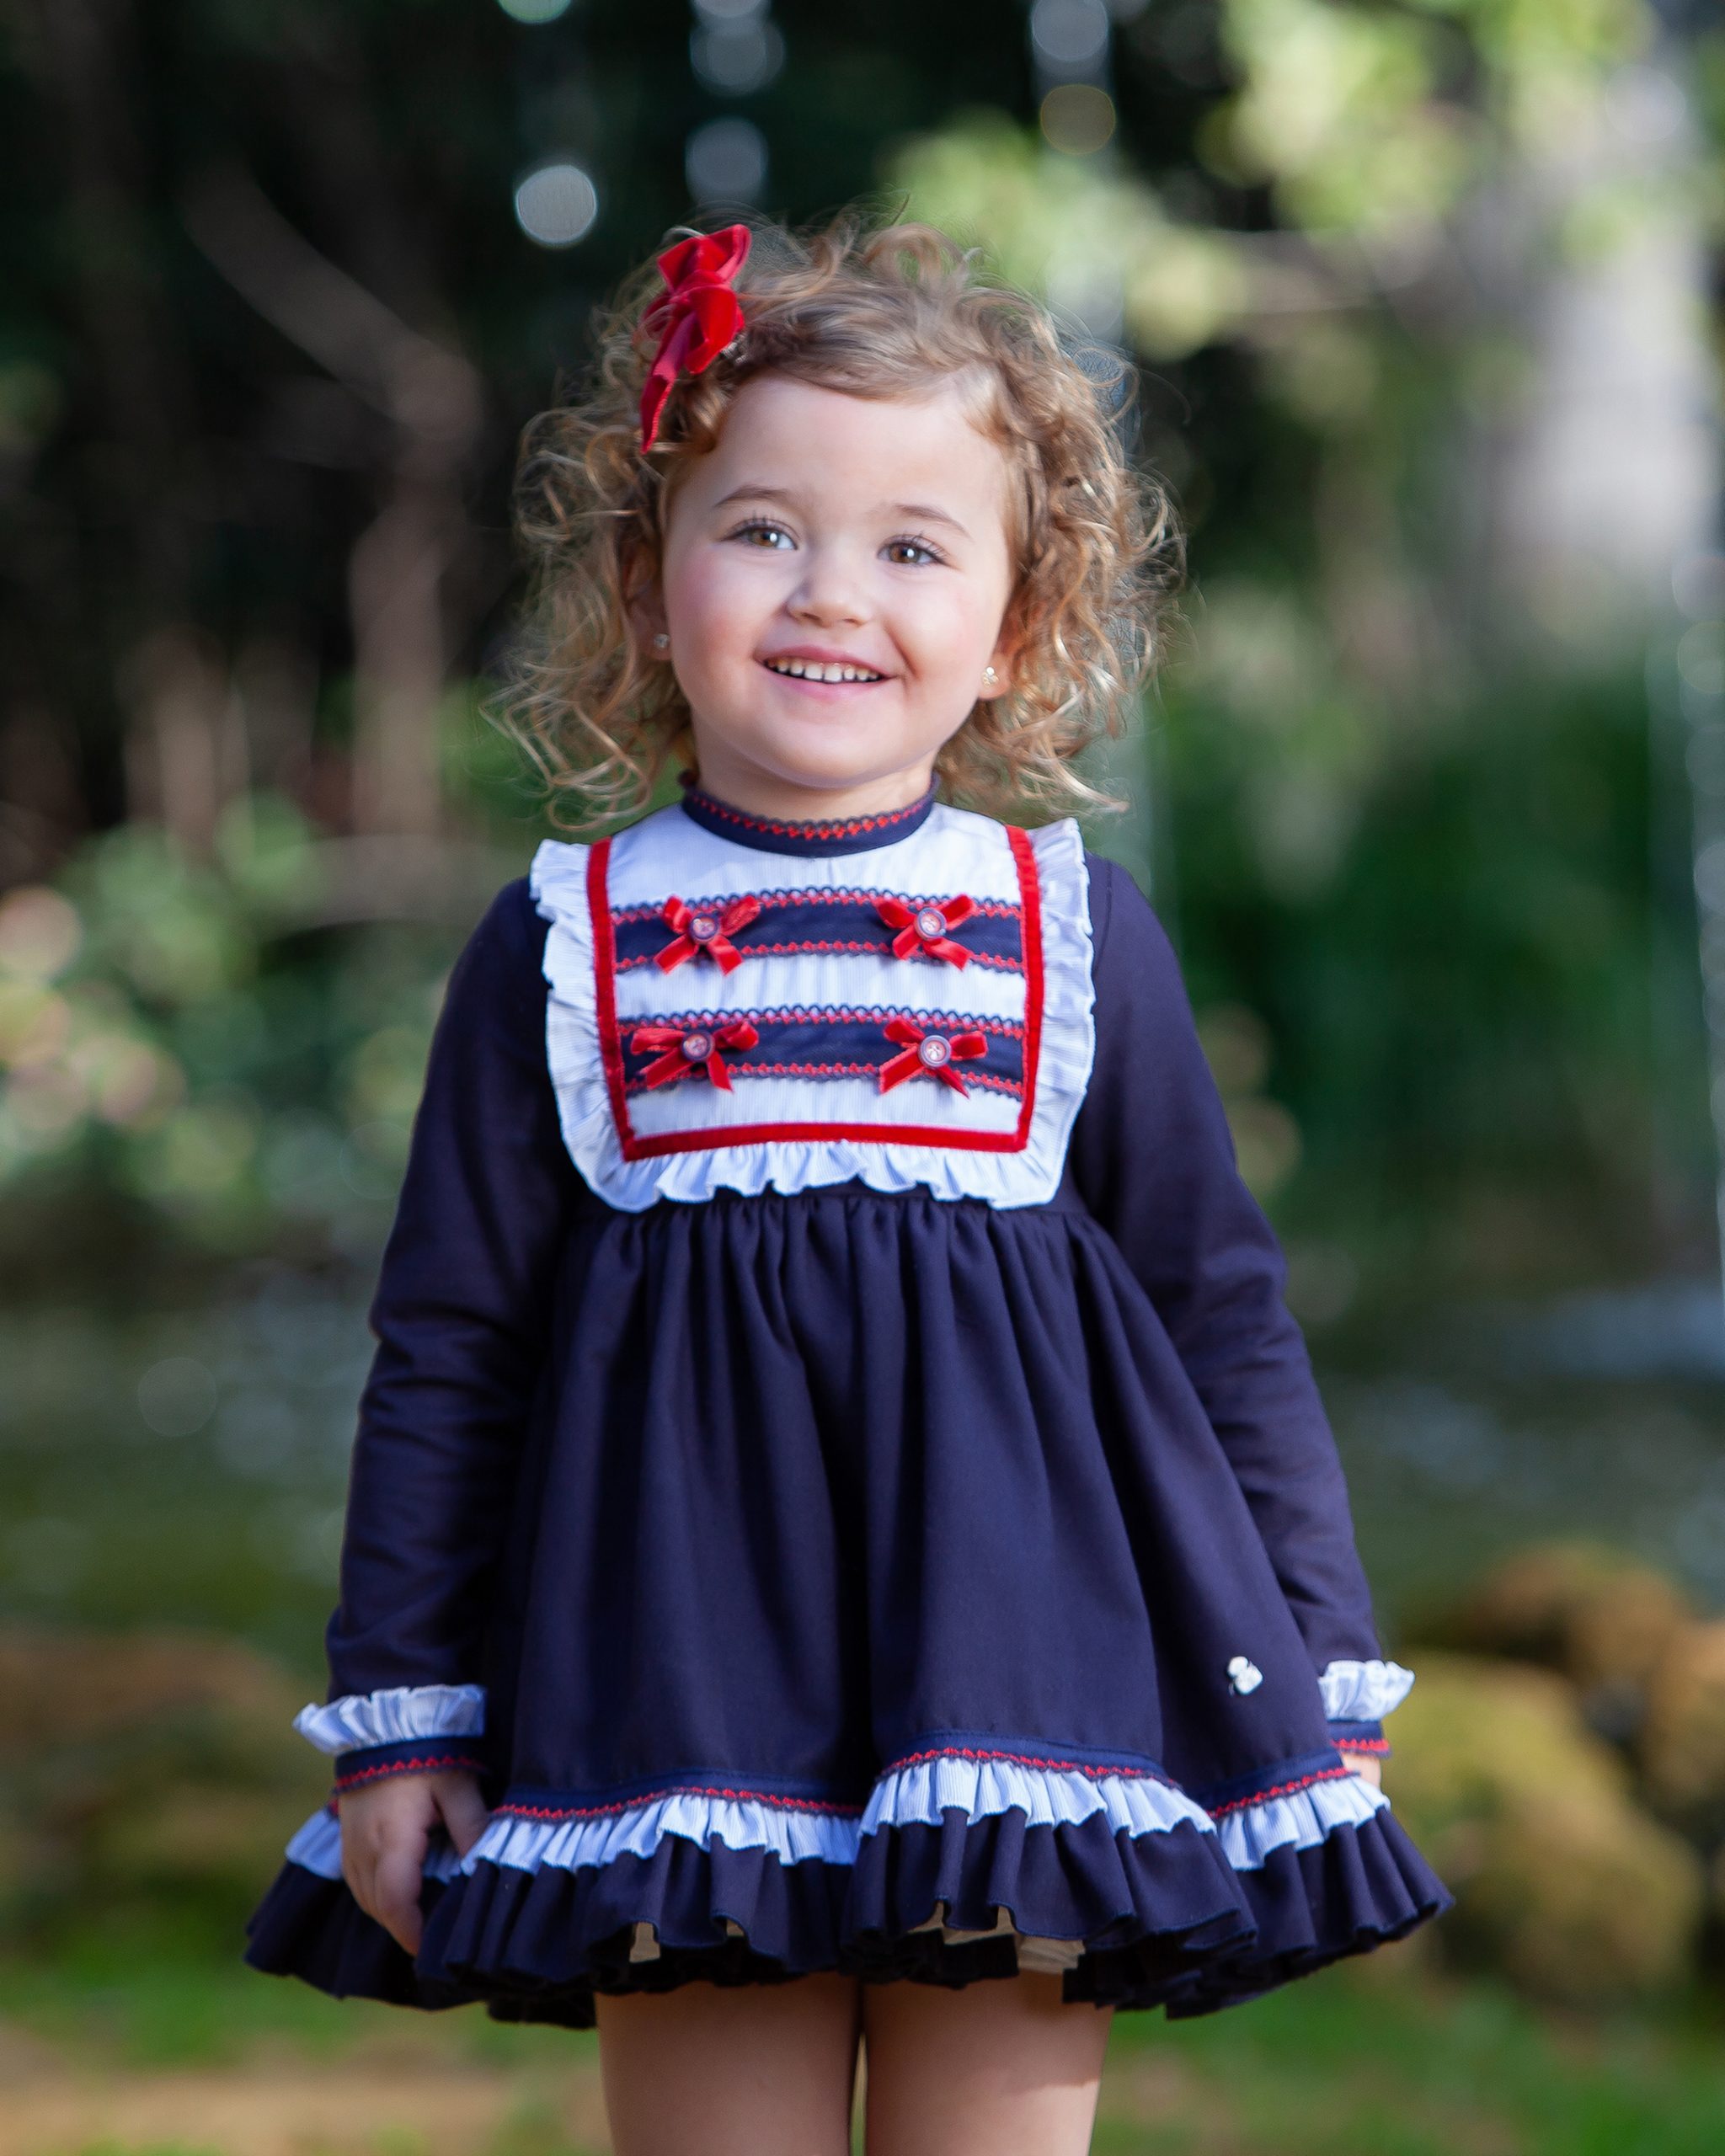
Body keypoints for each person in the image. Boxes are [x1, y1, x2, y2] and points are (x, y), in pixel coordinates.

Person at [245, 215, 1449, 2154]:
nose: (830, 593)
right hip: (677, 1704)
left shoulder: (1069, 932)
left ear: (1017, 628)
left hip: (1023, 1695)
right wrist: (406, 1706)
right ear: (644, 584)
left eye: (911, 546)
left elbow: (1220, 1315)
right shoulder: (566, 941)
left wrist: (1312, 1649)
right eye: (761, 529)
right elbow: (450, 1347)